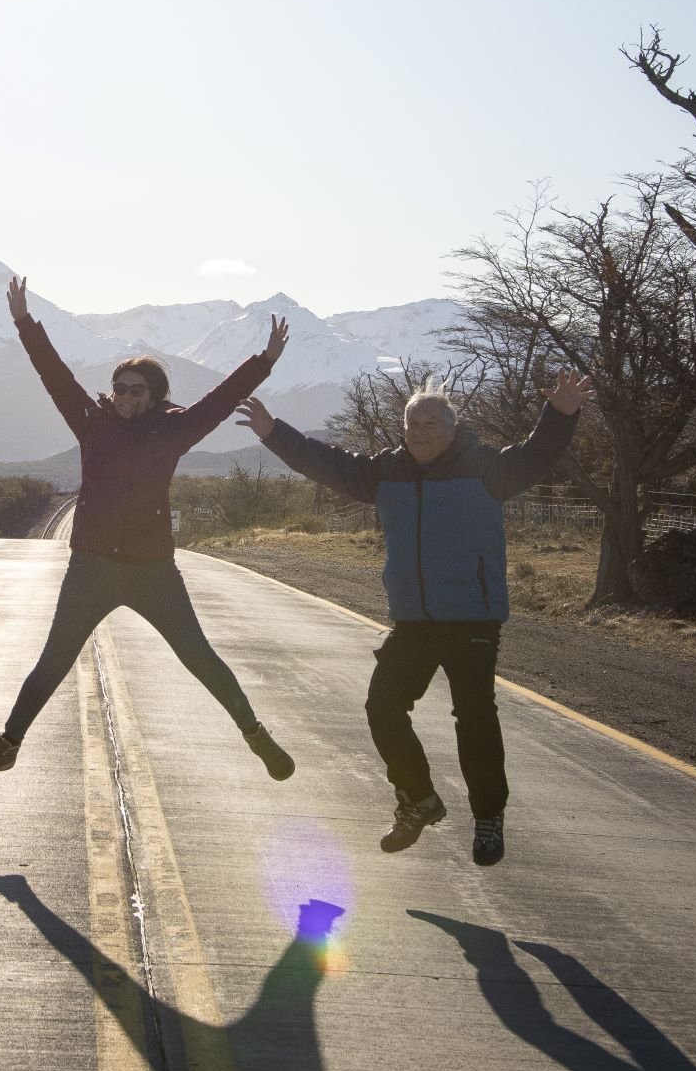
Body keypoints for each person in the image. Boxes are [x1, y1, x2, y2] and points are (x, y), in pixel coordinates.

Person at [237, 370, 592, 864]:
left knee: (474, 718)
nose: (420, 431)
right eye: (412, 423)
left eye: (430, 423)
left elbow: (537, 455)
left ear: (451, 428)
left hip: (472, 617)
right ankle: (419, 799)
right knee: (382, 707)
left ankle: (488, 816)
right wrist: (273, 432)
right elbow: (325, 462)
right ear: (403, 429)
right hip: (414, 621)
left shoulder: (484, 466)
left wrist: (562, 413)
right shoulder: (386, 470)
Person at [0, 276, 296, 785]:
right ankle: (7, 745)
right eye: (117, 388)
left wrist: (265, 361)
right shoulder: (92, 422)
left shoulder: (177, 428)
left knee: (199, 656)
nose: (121, 396)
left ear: (155, 395)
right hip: (91, 566)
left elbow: (222, 397)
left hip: (151, 570)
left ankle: (254, 734)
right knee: (52, 661)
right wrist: (24, 323)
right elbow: (53, 374)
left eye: (133, 391)